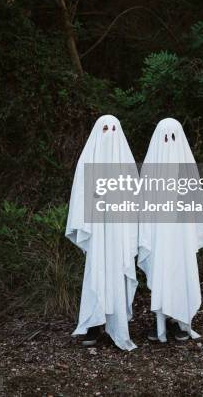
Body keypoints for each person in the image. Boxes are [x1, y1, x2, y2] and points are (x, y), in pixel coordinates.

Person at [138, 118, 203, 342]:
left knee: (181, 274)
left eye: (173, 138)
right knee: (161, 274)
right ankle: (161, 322)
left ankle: (179, 321)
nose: (169, 144)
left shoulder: (187, 170)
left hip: (181, 237)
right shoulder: (150, 173)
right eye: (164, 138)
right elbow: (142, 209)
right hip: (159, 238)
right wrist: (142, 237)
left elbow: (197, 203)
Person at [65, 115, 138, 350]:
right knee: (96, 272)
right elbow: (80, 195)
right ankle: (94, 324)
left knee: (117, 271)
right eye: (104, 128)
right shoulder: (88, 160)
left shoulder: (125, 163)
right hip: (97, 230)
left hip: (118, 231)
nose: (109, 133)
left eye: (113, 128)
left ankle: (117, 322)